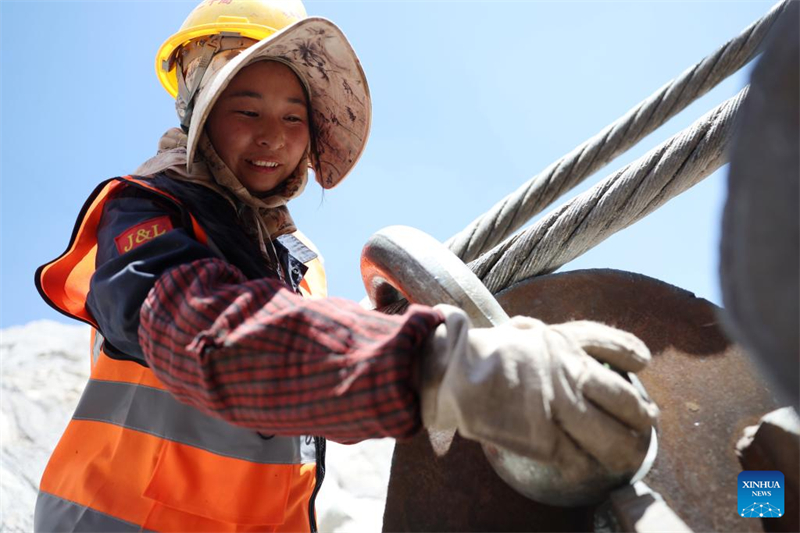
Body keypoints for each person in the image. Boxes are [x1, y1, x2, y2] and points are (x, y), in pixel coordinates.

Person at [33, 1, 659, 531]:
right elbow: (208, 331)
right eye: (246, 110)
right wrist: (449, 368)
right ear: (197, 104)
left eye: (294, 117)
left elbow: (300, 372)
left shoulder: (297, 266)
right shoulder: (148, 212)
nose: (273, 136)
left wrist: (373, 329)